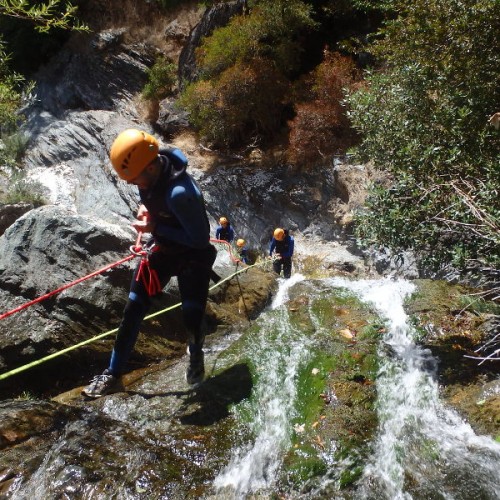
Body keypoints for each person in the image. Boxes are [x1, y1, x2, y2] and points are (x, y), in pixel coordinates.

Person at [82, 129, 216, 398]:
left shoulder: (181, 193)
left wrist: (155, 226)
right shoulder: (150, 177)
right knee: (133, 309)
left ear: (152, 167)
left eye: (136, 179)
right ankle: (113, 374)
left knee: (191, 316)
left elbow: (200, 240)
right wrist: (149, 213)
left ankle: (196, 352)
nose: (134, 185)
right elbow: (151, 200)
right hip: (165, 249)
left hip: (192, 255)